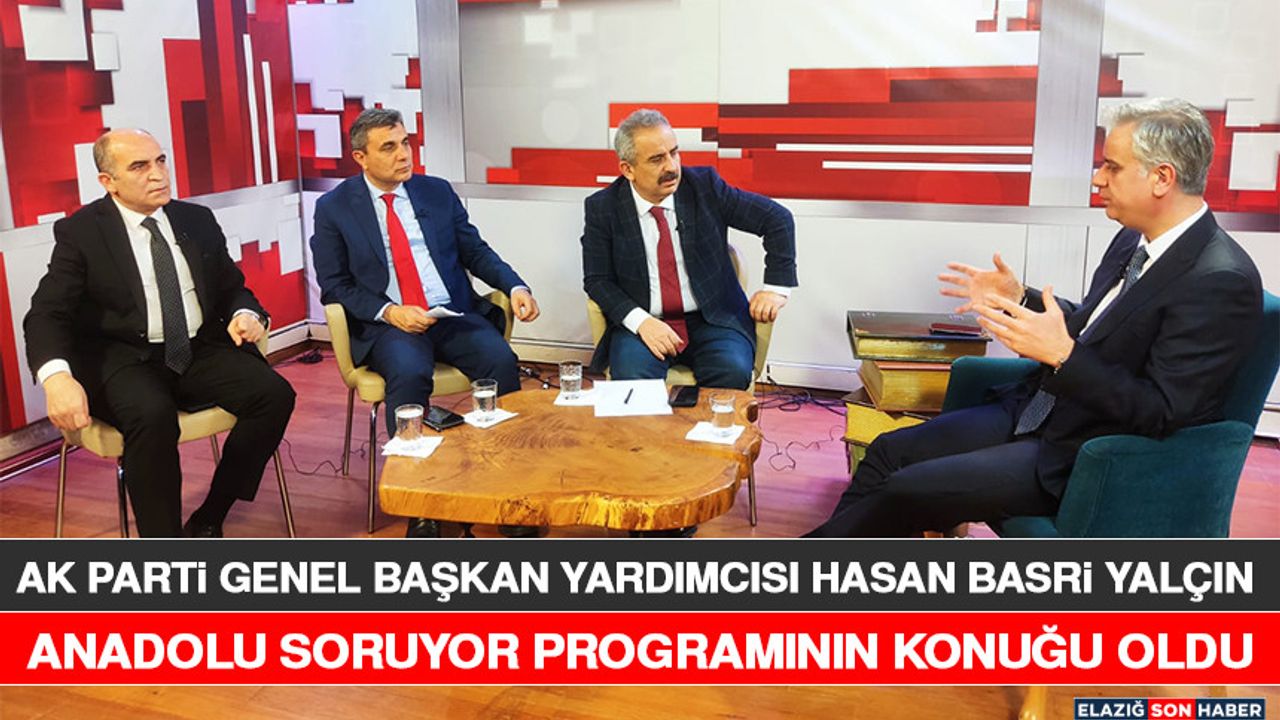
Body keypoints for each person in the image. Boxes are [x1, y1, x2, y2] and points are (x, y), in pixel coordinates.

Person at [806, 98, 1263, 538]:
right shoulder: (1133, 238)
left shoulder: (1220, 279)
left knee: (907, 489)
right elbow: (1101, 325)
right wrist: (1020, 297)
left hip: (1086, 451)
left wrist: (1064, 356)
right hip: (1040, 411)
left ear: (1162, 178)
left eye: (1112, 167)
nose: (1098, 178)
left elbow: (1161, 411)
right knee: (888, 451)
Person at [24, 129, 296, 538]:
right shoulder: (83, 232)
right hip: (124, 358)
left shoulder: (196, 220)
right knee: (153, 416)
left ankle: (210, 515)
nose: (158, 174)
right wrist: (56, 377)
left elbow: (231, 287)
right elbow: (47, 312)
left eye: (160, 161)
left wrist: (244, 312)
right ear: (108, 182)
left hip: (196, 348)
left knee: (274, 395)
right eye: (140, 166)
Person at [310, 108, 539, 538]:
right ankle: (421, 503)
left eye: (405, 143)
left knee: (500, 361)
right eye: (388, 147)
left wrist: (515, 285)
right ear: (360, 157)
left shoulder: (435, 192)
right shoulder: (334, 208)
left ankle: (507, 486)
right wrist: (389, 311)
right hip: (390, 323)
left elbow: (475, 251)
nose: (403, 155)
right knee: (410, 373)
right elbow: (335, 285)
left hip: (449, 312)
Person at [581, 108, 797, 389]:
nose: (672, 167)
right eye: (657, 159)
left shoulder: (704, 187)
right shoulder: (603, 208)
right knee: (633, 379)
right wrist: (641, 322)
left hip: (713, 318)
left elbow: (777, 219)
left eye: (674, 153)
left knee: (731, 371)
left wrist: (776, 289)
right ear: (628, 169)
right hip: (645, 320)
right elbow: (598, 280)